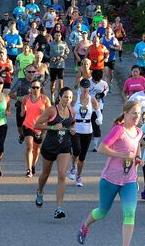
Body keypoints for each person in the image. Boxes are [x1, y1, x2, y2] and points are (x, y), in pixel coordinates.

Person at [76, 101, 144, 246]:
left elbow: (136, 149)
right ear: (126, 113)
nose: (137, 116)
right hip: (110, 180)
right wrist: (122, 156)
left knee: (129, 213)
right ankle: (84, 226)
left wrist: (138, 159)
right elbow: (101, 149)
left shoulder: (139, 132)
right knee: (102, 212)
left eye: (139, 113)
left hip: (128, 180)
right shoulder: (118, 130)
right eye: (133, 113)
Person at [34, 87, 76, 219]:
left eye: (70, 97)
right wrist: (52, 127)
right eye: (65, 97)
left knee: (62, 174)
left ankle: (59, 208)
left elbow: (72, 124)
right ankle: (40, 191)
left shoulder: (72, 111)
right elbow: (37, 125)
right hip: (50, 146)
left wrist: (73, 129)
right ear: (60, 97)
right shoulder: (52, 110)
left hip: (64, 146)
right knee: (45, 174)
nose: (67, 100)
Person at [69, 79, 102, 187]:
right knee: (76, 150)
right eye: (83, 87)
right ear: (80, 87)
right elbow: (67, 109)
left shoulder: (92, 100)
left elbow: (98, 111)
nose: (85, 89)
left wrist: (100, 119)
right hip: (76, 128)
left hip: (87, 129)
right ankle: (73, 166)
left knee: (82, 156)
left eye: (87, 87)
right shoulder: (74, 98)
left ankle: (79, 176)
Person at [20, 80, 51, 177]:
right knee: (29, 146)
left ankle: (33, 165)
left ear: (40, 88)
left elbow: (51, 114)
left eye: (37, 87)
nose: (35, 89)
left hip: (39, 127)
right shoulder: (26, 98)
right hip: (28, 125)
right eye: (33, 87)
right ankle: (28, 169)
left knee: (36, 150)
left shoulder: (45, 99)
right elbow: (22, 110)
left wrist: (44, 113)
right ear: (30, 88)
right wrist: (23, 111)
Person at [9, 64, 36, 143]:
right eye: (29, 72)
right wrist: (18, 98)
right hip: (21, 107)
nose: (31, 73)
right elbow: (10, 94)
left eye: (33, 72)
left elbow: (43, 94)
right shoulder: (20, 81)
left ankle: (32, 139)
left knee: (32, 127)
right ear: (25, 72)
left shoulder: (37, 82)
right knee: (20, 127)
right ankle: (21, 135)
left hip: (33, 108)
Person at [46, 31, 70, 104]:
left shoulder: (64, 44)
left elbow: (67, 52)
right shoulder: (50, 44)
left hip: (61, 65)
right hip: (53, 65)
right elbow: (45, 53)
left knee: (60, 82)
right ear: (54, 36)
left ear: (61, 36)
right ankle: (52, 95)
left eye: (59, 35)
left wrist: (66, 55)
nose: (58, 36)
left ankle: (60, 96)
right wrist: (50, 58)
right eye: (56, 35)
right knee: (53, 82)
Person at [89, 69, 109, 151]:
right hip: (89, 107)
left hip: (99, 106)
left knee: (96, 124)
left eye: (98, 80)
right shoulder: (88, 82)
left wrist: (103, 94)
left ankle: (95, 145)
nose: (97, 82)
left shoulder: (104, 83)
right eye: (95, 80)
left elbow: (106, 90)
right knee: (88, 123)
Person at [101, 27, 120, 92]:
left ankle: (110, 85)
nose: (108, 33)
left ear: (111, 32)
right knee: (105, 72)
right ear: (105, 32)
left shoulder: (114, 39)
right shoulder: (101, 39)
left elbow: (119, 48)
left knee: (111, 74)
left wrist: (114, 47)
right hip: (104, 59)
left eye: (109, 32)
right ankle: (105, 87)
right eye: (107, 32)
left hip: (112, 59)